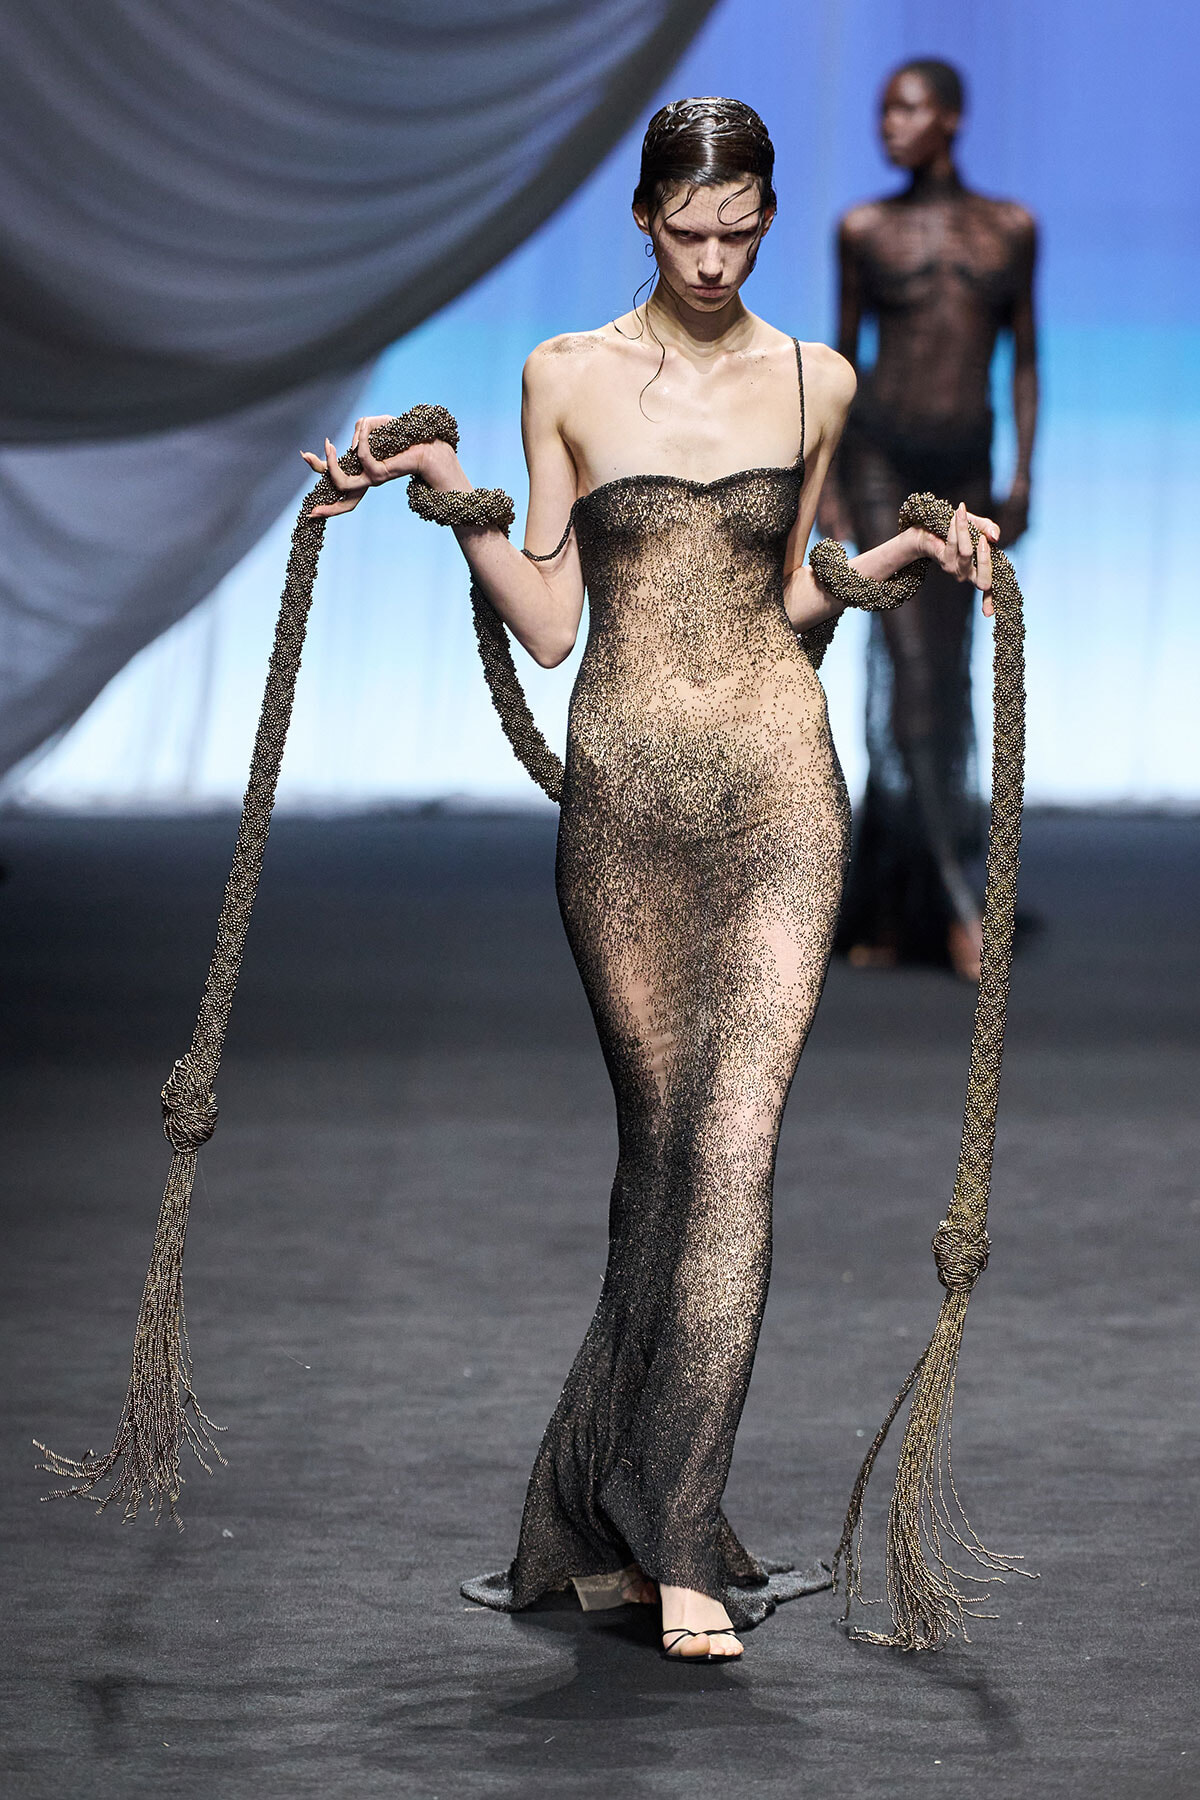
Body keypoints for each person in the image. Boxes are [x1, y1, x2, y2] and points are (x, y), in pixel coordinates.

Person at [300, 98, 997, 1663]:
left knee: (736, 1157)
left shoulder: (819, 377)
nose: (714, 256)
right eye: (688, 231)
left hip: (777, 797)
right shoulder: (566, 375)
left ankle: (680, 1536)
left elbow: (795, 603)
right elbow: (552, 621)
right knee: (661, 1162)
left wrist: (907, 555)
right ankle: (601, 1510)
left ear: (761, 214)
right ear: (641, 219)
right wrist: (442, 487)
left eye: (741, 229)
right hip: (625, 809)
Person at [819, 60, 1038, 979]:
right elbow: (840, 358)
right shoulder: (863, 229)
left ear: (950, 118)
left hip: (966, 466)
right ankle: (957, 906)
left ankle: (887, 897)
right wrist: (825, 485)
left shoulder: (1010, 229)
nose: (889, 125)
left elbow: (1025, 355)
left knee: (945, 679)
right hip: (880, 458)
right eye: (882, 110)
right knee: (907, 667)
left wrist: (1024, 473)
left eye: (906, 109)